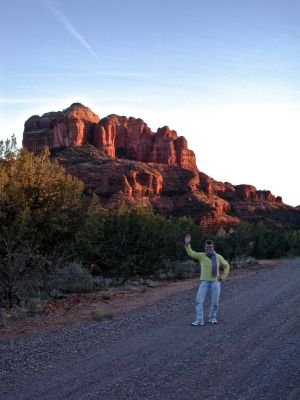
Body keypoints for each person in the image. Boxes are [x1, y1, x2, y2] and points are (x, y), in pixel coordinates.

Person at [184, 234, 230, 326]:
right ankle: (199, 320)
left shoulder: (218, 257)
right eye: (207, 247)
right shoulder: (201, 256)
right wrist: (187, 243)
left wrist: (222, 276)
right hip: (204, 281)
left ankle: (212, 318)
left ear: (213, 247)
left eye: (210, 247)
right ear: (205, 247)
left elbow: (226, 266)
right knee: (199, 300)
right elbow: (191, 253)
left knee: (215, 302)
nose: (209, 248)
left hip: (215, 281)